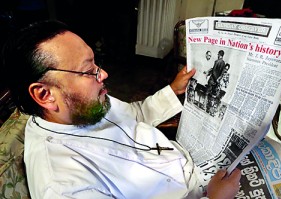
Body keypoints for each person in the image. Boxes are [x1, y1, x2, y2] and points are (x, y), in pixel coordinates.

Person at [1, 20, 241, 199]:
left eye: (97, 63)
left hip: (192, 164)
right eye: (88, 71)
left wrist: (173, 90)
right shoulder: (64, 186)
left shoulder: (79, 106)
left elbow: (133, 114)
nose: (103, 74)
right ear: (45, 95)